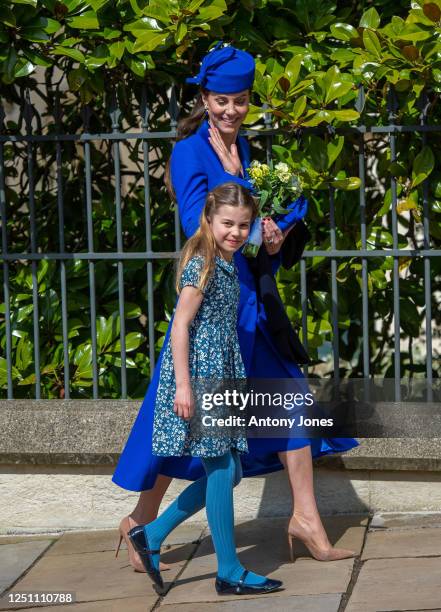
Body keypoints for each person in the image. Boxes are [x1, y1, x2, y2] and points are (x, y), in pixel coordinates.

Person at [113, 42, 358, 573]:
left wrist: (270, 231)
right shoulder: (189, 153)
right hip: (215, 299)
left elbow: (244, 215)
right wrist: (246, 231)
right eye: (221, 100)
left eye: (240, 101)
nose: (230, 110)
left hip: (253, 303)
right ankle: (141, 519)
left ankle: (306, 519)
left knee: (290, 396)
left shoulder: (244, 147)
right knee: (182, 418)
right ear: (204, 98)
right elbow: (195, 224)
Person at [128, 181, 282, 596]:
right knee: (220, 468)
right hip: (200, 375)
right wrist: (183, 385)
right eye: (227, 223)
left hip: (222, 373)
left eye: (242, 224)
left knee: (229, 471)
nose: (235, 231)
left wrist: (271, 241)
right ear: (209, 220)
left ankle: (152, 534)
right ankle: (229, 571)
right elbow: (180, 326)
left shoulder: (229, 260)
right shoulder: (202, 261)